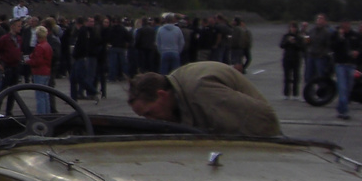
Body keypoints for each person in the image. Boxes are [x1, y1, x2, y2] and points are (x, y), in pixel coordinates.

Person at [127, 62, 280, 137]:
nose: (150, 120)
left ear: (162, 95)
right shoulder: (178, 84)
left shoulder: (201, 90)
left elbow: (262, 120)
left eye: (150, 113)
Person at [331, 20, 358, 121]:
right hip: (340, 65)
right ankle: (345, 112)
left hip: (351, 65)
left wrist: (357, 52)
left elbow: (359, 46)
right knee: (342, 87)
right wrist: (340, 38)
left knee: (348, 88)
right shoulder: (336, 35)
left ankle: (340, 108)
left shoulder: (354, 35)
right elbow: (332, 47)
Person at [27, 27, 53, 113]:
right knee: (45, 95)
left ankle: (41, 114)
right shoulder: (47, 45)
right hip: (47, 71)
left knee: (39, 96)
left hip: (39, 72)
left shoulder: (39, 47)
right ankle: (47, 113)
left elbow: (37, 62)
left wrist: (28, 61)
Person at [279, 22, 304, 99]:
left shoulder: (299, 37)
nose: (293, 29)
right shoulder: (286, 36)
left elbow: (301, 47)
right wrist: (288, 41)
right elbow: (281, 45)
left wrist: (295, 43)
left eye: (294, 28)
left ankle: (295, 94)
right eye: (291, 27)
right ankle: (286, 94)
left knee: (296, 77)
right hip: (287, 59)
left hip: (296, 59)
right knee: (287, 77)